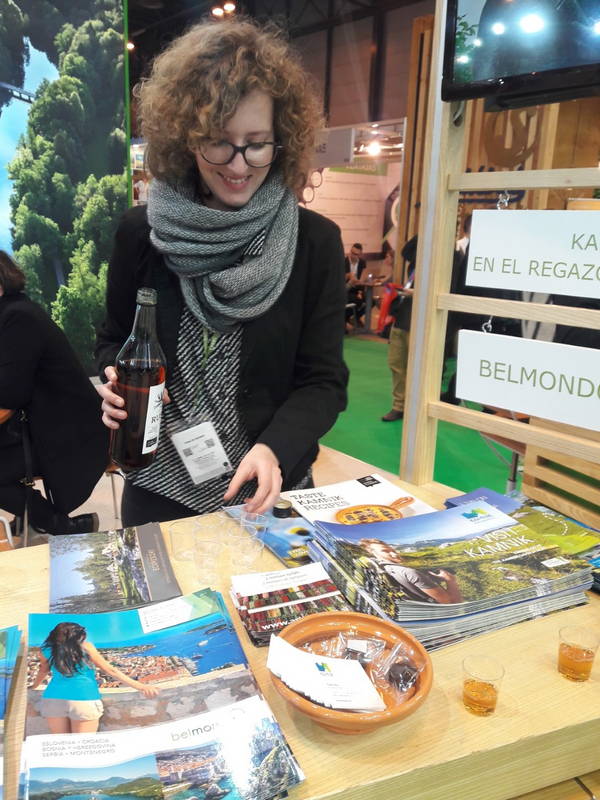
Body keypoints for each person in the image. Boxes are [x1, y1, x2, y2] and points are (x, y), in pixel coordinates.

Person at [95, 18, 348, 527]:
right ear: (185, 140)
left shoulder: (313, 242)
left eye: (257, 142)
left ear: (282, 139)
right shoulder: (142, 233)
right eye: (218, 141)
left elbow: (324, 381)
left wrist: (276, 448)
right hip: (157, 483)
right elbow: (112, 340)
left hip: (265, 488)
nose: (238, 165)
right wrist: (111, 381)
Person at [0, 252, 109, 535]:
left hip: (69, 432)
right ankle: (37, 516)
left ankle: (58, 525)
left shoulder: (17, 317)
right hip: (40, 426)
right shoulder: (13, 312)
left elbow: (9, 395)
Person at [30, 621, 159, 734]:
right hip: (84, 697)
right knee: (84, 746)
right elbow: (110, 670)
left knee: (61, 744)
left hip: (53, 698)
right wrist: (141, 686)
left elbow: (43, 670)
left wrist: (34, 686)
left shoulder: (45, 650)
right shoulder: (86, 647)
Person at [359, 538, 464, 604]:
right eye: (386, 551)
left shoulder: (383, 568)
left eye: (393, 550)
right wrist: (450, 580)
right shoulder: (409, 573)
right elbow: (451, 603)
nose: (394, 554)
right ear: (374, 554)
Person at [381, 236, 416, 422]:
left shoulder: (442, 265)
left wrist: (417, 293)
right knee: (396, 363)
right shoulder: (414, 266)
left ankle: (414, 406)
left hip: (419, 324)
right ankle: (399, 405)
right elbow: (406, 250)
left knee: (416, 368)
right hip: (402, 319)